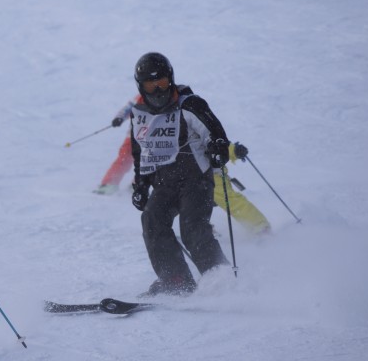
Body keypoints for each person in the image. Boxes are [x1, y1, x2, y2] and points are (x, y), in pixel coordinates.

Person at [129, 53, 230, 296]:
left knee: (193, 228)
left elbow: (216, 134)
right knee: (152, 221)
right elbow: (140, 151)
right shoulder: (139, 114)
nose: (157, 89)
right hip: (164, 184)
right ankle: (175, 279)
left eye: (162, 82)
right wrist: (141, 186)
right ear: (140, 86)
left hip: (196, 181)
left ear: (171, 79)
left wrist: (217, 148)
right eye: (150, 85)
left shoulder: (189, 104)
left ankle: (222, 280)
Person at [95, 98, 271, 235]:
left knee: (227, 199)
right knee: (182, 202)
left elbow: (216, 140)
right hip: (187, 175)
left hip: (212, 174)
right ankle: (203, 229)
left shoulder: (188, 118)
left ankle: (259, 227)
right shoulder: (147, 106)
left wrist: (234, 150)